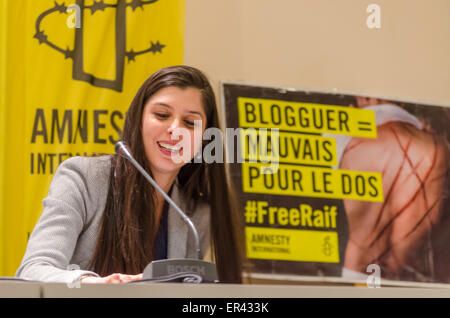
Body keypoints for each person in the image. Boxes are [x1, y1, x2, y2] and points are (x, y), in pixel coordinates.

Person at [16, 65, 246, 284]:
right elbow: (33, 270)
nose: (175, 130)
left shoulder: (196, 215)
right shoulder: (82, 178)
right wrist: (91, 283)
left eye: (189, 122)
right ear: (138, 119)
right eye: (162, 115)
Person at [333, 97, 450, 282]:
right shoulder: (438, 146)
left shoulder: (343, 135)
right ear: (402, 101)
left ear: (361, 98)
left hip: (361, 276)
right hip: (412, 279)